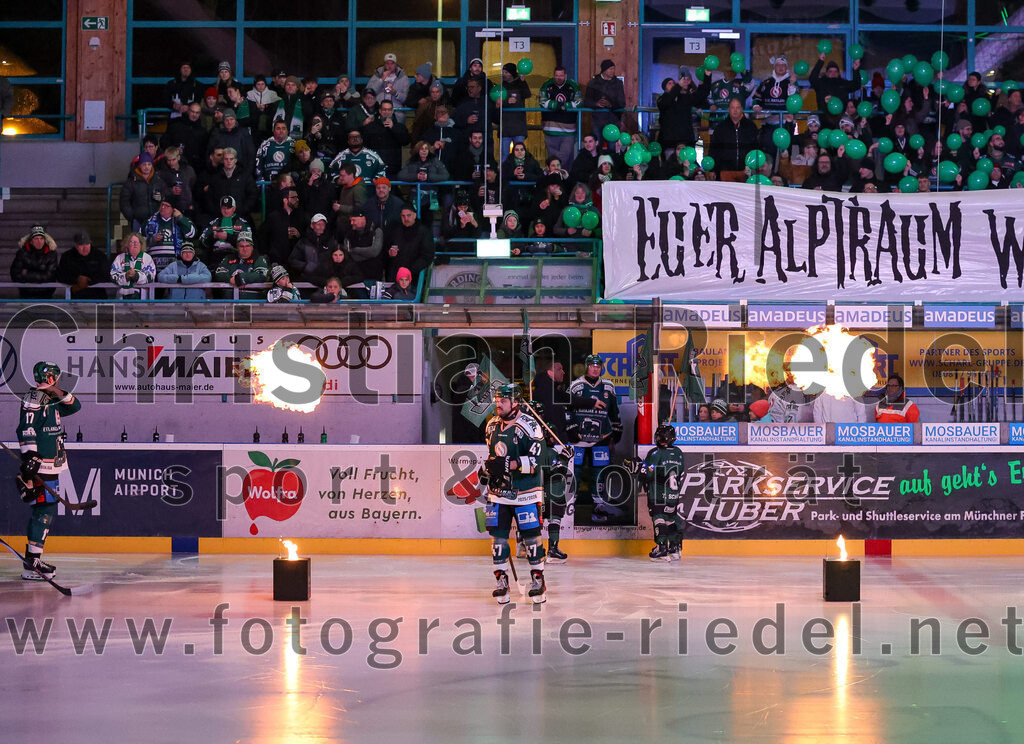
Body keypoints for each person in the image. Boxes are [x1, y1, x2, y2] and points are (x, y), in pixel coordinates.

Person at [478, 383, 548, 604]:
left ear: (516, 402)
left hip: (526, 492)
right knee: (497, 540)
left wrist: (509, 464)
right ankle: (501, 581)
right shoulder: (491, 426)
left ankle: (538, 580)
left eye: (503, 400)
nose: (498, 404)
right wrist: (487, 471)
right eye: (497, 400)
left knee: (531, 539)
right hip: (498, 493)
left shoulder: (530, 426)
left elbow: (539, 461)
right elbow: (492, 457)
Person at [16, 362, 82, 581]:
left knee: (45, 508)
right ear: (52, 376)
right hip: (41, 462)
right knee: (44, 509)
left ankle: (33, 560)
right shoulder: (34, 397)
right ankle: (32, 562)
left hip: (52, 462)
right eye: (54, 377)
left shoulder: (52, 397)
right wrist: (30, 455)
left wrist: (54, 390)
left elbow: (74, 406)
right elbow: (26, 426)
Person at [567, 354, 623, 523]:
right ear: (587, 366)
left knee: (599, 472)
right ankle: (571, 504)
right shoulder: (576, 385)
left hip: (601, 437)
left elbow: (614, 411)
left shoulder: (608, 386)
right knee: (574, 471)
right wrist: (571, 428)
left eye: (598, 366)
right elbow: (567, 408)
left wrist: (615, 431)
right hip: (579, 438)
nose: (595, 369)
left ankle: (599, 506)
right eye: (592, 366)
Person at [531, 358, 573, 562]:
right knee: (532, 508)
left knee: (555, 499)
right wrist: (562, 461)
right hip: (533, 476)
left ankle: (551, 547)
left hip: (544, 470)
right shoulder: (524, 433)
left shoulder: (548, 429)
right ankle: (530, 546)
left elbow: (555, 467)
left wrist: (562, 458)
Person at [626, 423, 685, 562]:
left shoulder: (655, 453)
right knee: (671, 519)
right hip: (673, 494)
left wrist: (635, 469)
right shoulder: (678, 452)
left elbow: (647, 474)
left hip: (658, 492)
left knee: (659, 517)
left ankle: (662, 548)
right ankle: (675, 548)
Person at [540, 66, 582, 170]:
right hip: (550, 130)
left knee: (564, 159)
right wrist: (558, 105)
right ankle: (553, 181)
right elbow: (542, 102)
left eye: (561, 75)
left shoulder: (573, 85)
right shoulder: (546, 84)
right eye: (557, 75)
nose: (559, 78)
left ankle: (561, 181)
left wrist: (564, 106)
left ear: (565, 76)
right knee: (552, 158)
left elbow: (579, 102)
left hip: (568, 130)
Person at [709, 98, 760, 181]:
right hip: (725, 171)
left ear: (742, 109)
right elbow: (714, 150)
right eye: (733, 108)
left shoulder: (751, 126)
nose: (735, 110)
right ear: (729, 109)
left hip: (746, 170)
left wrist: (752, 167)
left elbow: (756, 148)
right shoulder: (720, 127)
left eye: (737, 107)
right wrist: (713, 169)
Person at [143, 197, 197, 273]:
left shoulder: (179, 220)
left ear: (173, 209)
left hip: (175, 265)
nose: (162, 207)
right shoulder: (149, 221)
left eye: (166, 206)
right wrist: (152, 240)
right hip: (153, 265)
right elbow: (139, 241)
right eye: (162, 204)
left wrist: (181, 218)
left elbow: (192, 234)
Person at [214, 230, 269, 299]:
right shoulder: (229, 258)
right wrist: (231, 280)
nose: (245, 249)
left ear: (252, 247)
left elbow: (262, 275)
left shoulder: (258, 258)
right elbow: (219, 273)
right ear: (237, 247)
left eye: (247, 246)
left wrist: (241, 279)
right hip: (229, 300)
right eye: (241, 246)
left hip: (253, 300)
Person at [56, 231, 109, 299]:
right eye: (81, 245)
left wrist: (88, 281)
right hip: (76, 298)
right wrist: (77, 279)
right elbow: (61, 275)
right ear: (76, 245)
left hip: (98, 297)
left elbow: (105, 274)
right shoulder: (67, 257)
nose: (85, 247)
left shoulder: (100, 256)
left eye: (87, 244)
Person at [11, 225, 59, 299]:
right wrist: (41, 274)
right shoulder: (22, 253)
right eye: (36, 239)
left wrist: (26, 273)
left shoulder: (52, 254)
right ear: (31, 241)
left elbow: (50, 276)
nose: (39, 241)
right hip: (26, 295)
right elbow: (15, 274)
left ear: (45, 240)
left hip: (46, 294)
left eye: (41, 238)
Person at [583, 59, 625, 138]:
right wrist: (596, 104)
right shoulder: (593, 83)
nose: (613, 71)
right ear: (604, 70)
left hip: (614, 121)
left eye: (614, 69)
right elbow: (586, 101)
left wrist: (610, 104)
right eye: (610, 69)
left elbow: (622, 102)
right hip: (598, 121)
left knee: (612, 147)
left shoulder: (618, 83)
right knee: (597, 145)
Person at [110, 232, 156, 299]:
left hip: (142, 297)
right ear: (127, 245)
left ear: (141, 245)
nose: (134, 245)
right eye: (131, 242)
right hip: (122, 298)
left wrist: (135, 275)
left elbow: (150, 276)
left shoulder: (147, 258)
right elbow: (113, 275)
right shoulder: (119, 258)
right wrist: (126, 276)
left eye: (137, 242)